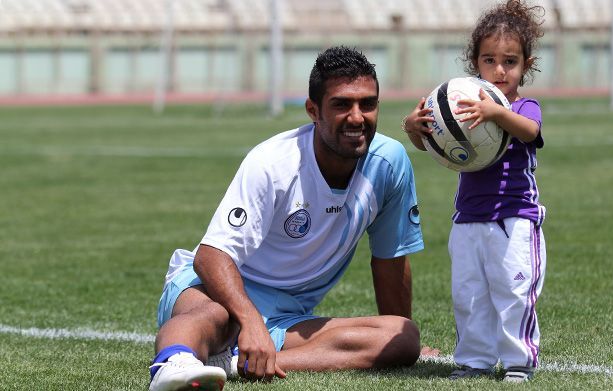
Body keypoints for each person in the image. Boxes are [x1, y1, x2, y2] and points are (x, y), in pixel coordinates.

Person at [148, 46, 426, 391]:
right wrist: (249, 321)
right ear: (313, 110)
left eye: (367, 104)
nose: (357, 117)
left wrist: (399, 327)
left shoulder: (389, 163)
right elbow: (211, 256)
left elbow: (390, 259)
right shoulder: (273, 163)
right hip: (214, 288)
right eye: (341, 104)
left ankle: (234, 364)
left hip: (287, 316)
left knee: (402, 339)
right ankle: (173, 364)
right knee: (215, 317)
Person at [402, 0, 546, 383]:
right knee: (469, 295)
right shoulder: (462, 103)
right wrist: (415, 127)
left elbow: (530, 132)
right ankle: (474, 360)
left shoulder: (523, 107)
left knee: (513, 291)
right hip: (467, 218)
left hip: (514, 218)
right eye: (489, 60)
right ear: (475, 63)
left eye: (510, 62)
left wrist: (496, 113)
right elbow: (436, 147)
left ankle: (519, 361)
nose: (499, 71)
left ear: (526, 65)